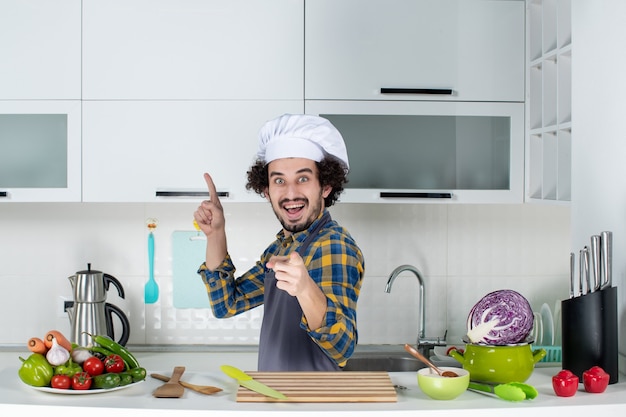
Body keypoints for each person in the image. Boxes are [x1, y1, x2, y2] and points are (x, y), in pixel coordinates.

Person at [194, 114, 365, 371]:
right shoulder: (282, 246)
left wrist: (305, 288)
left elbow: (343, 347)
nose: (291, 193)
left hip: (311, 405)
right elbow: (226, 304)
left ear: (326, 186)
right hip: (275, 395)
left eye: (303, 178)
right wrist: (216, 234)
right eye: (279, 180)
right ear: (267, 190)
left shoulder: (334, 245)